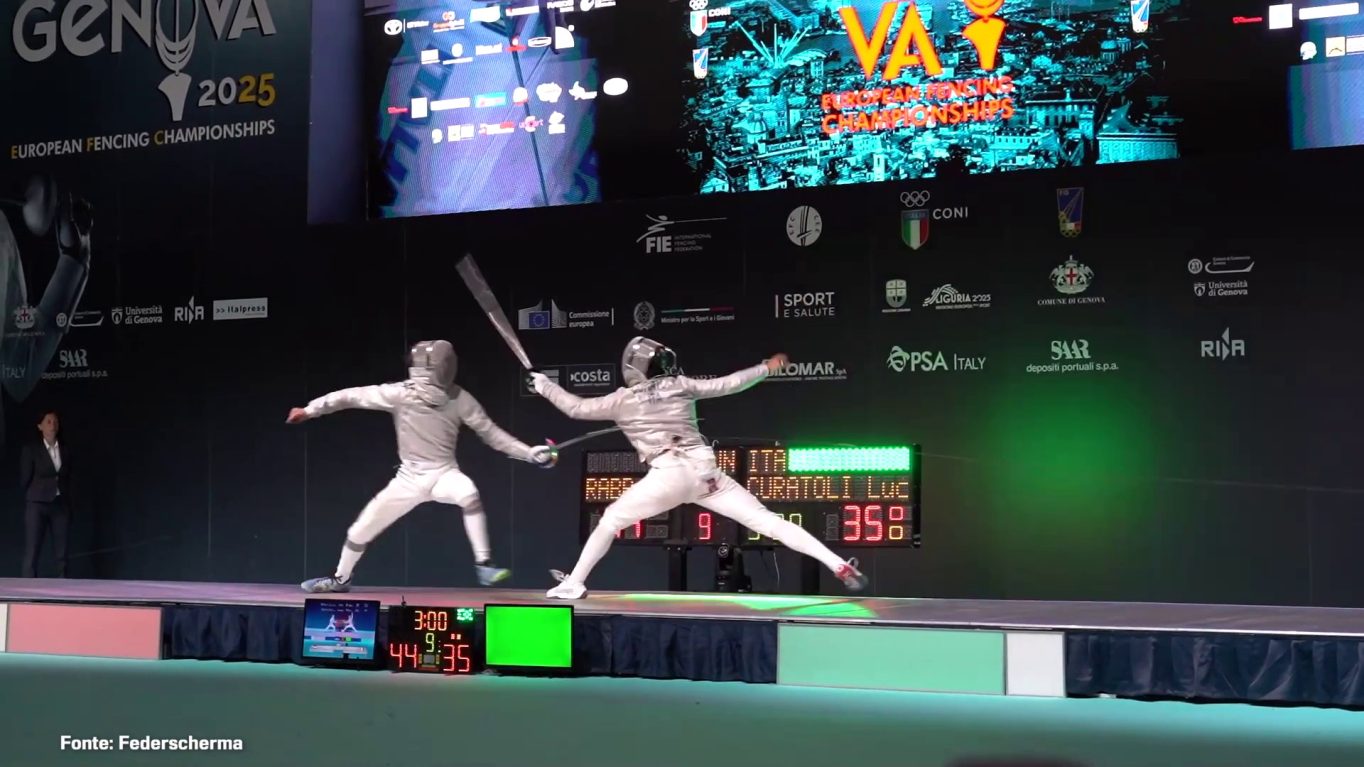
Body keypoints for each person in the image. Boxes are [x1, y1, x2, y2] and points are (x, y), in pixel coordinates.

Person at [531, 337, 869, 599]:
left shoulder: (621, 400)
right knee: (768, 522)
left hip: (668, 474)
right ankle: (837, 564)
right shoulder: (681, 385)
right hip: (706, 474)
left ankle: (574, 583)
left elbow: (575, 408)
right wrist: (766, 367)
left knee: (611, 520)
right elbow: (729, 383)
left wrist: (544, 385)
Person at [288, 340, 557, 593]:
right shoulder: (399, 394)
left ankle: (484, 565)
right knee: (360, 530)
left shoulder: (460, 399)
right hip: (408, 479)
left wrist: (528, 453)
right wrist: (312, 409)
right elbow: (351, 396)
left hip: (444, 474)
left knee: (468, 493)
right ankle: (341, 579)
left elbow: (491, 433)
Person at [20, 409, 72, 577]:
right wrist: (33, 496)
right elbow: (25, 477)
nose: (52, 425)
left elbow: (67, 476)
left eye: (55, 421)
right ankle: (28, 586)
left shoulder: (64, 449)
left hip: (59, 503)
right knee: (32, 550)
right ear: (40, 426)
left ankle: (63, 584)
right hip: (37, 504)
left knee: (62, 552)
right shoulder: (31, 449)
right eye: (48, 422)